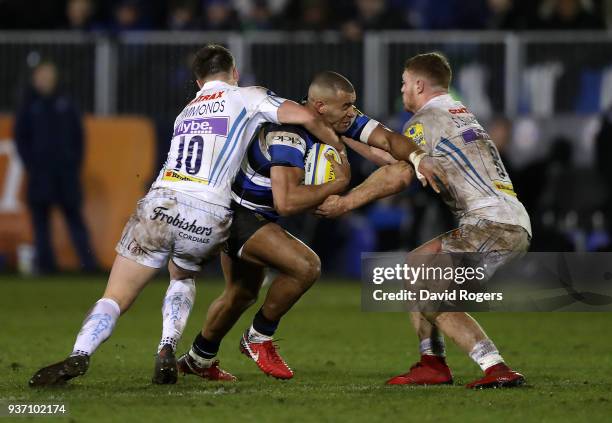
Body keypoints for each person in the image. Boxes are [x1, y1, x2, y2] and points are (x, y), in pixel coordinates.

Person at [28, 44, 342, 387]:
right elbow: (307, 117)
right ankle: (167, 345)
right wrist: (338, 147)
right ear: (234, 73)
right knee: (181, 277)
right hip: (208, 212)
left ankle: (81, 352)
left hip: (162, 201)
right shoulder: (247, 96)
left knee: (114, 296)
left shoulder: (186, 112)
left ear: (197, 81)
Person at [153, 71, 447, 383]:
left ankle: (199, 358)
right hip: (238, 214)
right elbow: (286, 202)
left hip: (255, 214)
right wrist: (339, 185)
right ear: (320, 106)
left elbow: (388, 138)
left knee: (241, 292)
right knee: (306, 266)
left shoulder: (339, 120)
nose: (352, 112)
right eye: (346, 106)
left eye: (353, 105)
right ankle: (258, 337)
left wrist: (418, 158)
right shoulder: (289, 133)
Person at [317, 53, 531, 389]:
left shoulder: (426, 118)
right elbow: (395, 154)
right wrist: (343, 132)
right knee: (416, 264)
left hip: (492, 226)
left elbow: (400, 173)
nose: (402, 90)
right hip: (501, 222)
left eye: (404, 83)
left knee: (430, 294)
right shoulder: (456, 113)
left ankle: (496, 367)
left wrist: (346, 202)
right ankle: (432, 363)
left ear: (418, 84)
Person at [14, 60, 99, 274]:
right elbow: (20, 138)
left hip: (65, 172)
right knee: (41, 220)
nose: (45, 80)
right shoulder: (28, 105)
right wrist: (31, 163)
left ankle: (88, 264)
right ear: (35, 78)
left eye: (49, 76)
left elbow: (78, 136)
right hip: (40, 172)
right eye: (42, 76)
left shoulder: (66, 102)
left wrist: (73, 161)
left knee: (74, 217)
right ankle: (46, 265)